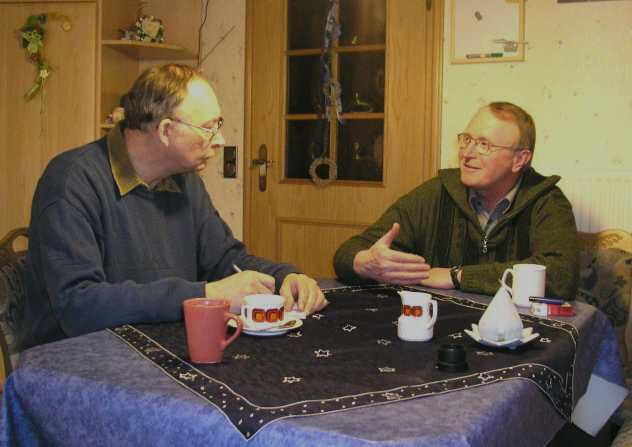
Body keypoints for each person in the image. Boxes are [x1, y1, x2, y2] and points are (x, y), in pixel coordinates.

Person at [23, 64, 327, 348]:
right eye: (208, 127)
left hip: (158, 347)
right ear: (166, 131)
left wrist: (285, 278)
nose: (220, 140)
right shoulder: (71, 181)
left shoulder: (184, 180)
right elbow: (79, 306)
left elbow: (225, 260)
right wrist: (205, 294)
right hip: (77, 359)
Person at [334, 101, 578, 299]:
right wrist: (365, 262)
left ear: (519, 160)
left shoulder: (547, 202)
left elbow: (560, 276)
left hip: (515, 334)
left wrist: (457, 276)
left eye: (484, 145)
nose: (467, 153)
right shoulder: (436, 192)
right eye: (467, 140)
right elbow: (347, 252)